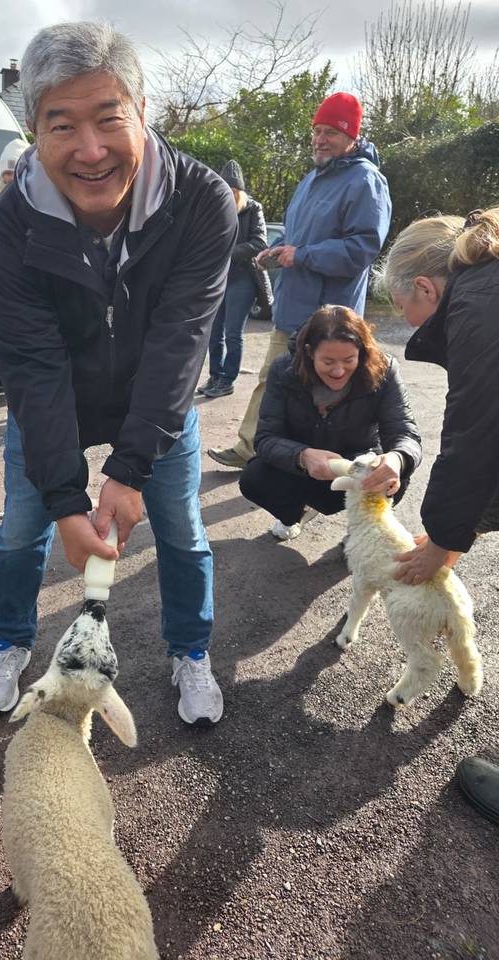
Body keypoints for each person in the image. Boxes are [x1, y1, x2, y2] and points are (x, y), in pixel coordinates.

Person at [0, 22, 237, 725]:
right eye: (62, 125)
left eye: (108, 118)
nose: (90, 151)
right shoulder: (6, 227)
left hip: (155, 405)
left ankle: (190, 651)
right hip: (53, 405)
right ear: (33, 129)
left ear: (143, 111)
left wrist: (130, 466)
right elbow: (33, 364)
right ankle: (9, 643)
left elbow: (181, 339)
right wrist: (66, 498)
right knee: (21, 530)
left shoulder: (202, 201)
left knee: (183, 531)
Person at [380, 208, 499, 825]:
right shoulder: (488, 281)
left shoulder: (478, 308)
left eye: (406, 312)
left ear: (426, 288)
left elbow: (475, 434)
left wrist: (445, 540)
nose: (411, 326)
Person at [208, 92, 392, 468]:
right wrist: (277, 251)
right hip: (293, 308)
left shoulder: (366, 181)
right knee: (271, 379)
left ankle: (317, 475)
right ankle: (250, 447)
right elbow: (298, 237)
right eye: (317, 131)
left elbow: (363, 248)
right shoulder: (312, 178)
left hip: (329, 318)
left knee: (320, 398)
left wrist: (303, 255)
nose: (320, 139)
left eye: (331, 132)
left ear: (351, 137)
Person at [239, 305, 422, 540]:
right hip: (303, 469)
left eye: (349, 360)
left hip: (357, 463)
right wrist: (302, 456)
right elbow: (265, 438)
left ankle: (360, 527)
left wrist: (398, 458)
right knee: (255, 478)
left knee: (396, 476)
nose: (338, 371)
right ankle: (293, 515)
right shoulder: (283, 370)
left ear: (362, 352)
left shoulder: (384, 370)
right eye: (327, 361)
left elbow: (404, 431)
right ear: (309, 352)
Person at [197, 159, 267, 398]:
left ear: (239, 191)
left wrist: (227, 254)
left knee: (233, 333)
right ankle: (215, 376)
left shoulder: (253, 209)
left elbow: (260, 243)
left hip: (243, 279)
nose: (227, 194)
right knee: (213, 333)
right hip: (217, 279)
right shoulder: (214, 208)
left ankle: (227, 380)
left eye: (232, 190)